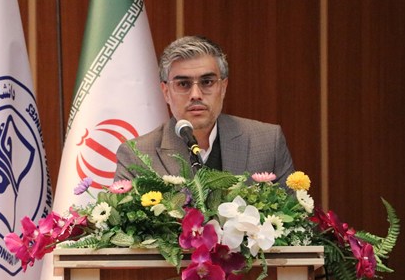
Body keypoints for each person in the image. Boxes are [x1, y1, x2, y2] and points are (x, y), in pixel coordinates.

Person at [114, 35, 295, 185]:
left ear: (223, 87)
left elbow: (293, 216)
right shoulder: (137, 155)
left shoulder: (267, 142)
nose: (196, 95)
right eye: (183, 84)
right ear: (166, 92)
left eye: (207, 82)